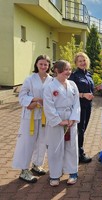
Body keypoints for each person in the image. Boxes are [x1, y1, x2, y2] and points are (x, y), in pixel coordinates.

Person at [12, 55, 52, 183]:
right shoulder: (29, 79)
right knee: (27, 143)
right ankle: (24, 170)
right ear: (36, 65)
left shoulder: (51, 80)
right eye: (41, 64)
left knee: (42, 141)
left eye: (46, 64)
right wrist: (34, 101)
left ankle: (36, 164)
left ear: (49, 66)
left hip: (45, 116)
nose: (43, 66)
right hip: (30, 116)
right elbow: (22, 96)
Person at [43, 60, 81, 187]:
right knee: (55, 148)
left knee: (72, 147)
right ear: (57, 70)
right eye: (66, 69)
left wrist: (73, 118)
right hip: (57, 121)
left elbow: (76, 103)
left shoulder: (72, 84)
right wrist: (59, 121)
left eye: (70, 69)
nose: (69, 72)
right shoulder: (49, 87)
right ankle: (55, 175)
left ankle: (72, 172)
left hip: (71, 120)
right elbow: (48, 106)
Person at [69, 52, 94, 163]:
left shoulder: (88, 75)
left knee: (83, 130)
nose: (83, 63)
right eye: (80, 61)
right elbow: (70, 93)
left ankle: (77, 151)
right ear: (76, 63)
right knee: (80, 130)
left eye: (84, 60)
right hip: (78, 107)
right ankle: (79, 154)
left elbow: (90, 90)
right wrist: (83, 95)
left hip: (88, 106)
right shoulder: (74, 76)